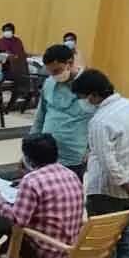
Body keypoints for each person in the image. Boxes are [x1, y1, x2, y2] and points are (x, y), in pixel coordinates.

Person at [72, 69, 129, 258]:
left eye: (82, 98)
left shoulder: (100, 121)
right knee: (124, 235)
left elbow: (108, 163)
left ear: (94, 95)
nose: (82, 103)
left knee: (101, 244)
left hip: (107, 193)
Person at [0, 134, 84, 258]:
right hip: (71, 248)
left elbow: (17, 219)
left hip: (48, 252)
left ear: (28, 159)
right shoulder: (71, 174)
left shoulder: (31, 181)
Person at [31, 44, 94, 178]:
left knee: (67, 195)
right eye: (50, 71)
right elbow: (40, 116)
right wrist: (31, 144)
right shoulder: (49, 82)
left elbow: (100, 122)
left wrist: (91, 151)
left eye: (57, 70)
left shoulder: (90, 85)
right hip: (46, 153)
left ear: (69, 63)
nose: (54, 75)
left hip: (74, 156)